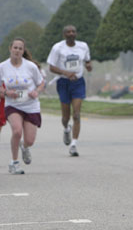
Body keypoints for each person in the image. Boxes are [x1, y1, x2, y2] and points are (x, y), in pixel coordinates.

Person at [0, 37, 45, 174]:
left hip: (30, 105)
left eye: (20, 48)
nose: (17, 51)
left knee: (30, 140)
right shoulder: (2, 67)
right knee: (17, 131)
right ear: (10, 49)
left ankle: (24, 147)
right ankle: (14, 163)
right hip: (12, 105)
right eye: (15, 48)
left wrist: (36, 91)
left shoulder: (30, 66)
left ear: (23, 50)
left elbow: (41, 83)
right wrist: (6, 92)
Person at [46, 25, 92, 157]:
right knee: (65, 117)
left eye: (73, 31)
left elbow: (87, 61)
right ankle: (66, 129)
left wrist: (88, 66)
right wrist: (66, 73)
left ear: (76, 33)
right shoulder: (57, 48)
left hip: (78, 82)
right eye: (68, 32)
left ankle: (73, 145)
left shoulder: (83, 46)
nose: (71, 33)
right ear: (64, 34)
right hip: (63, 83)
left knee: (76, 114)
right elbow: (51, 67)